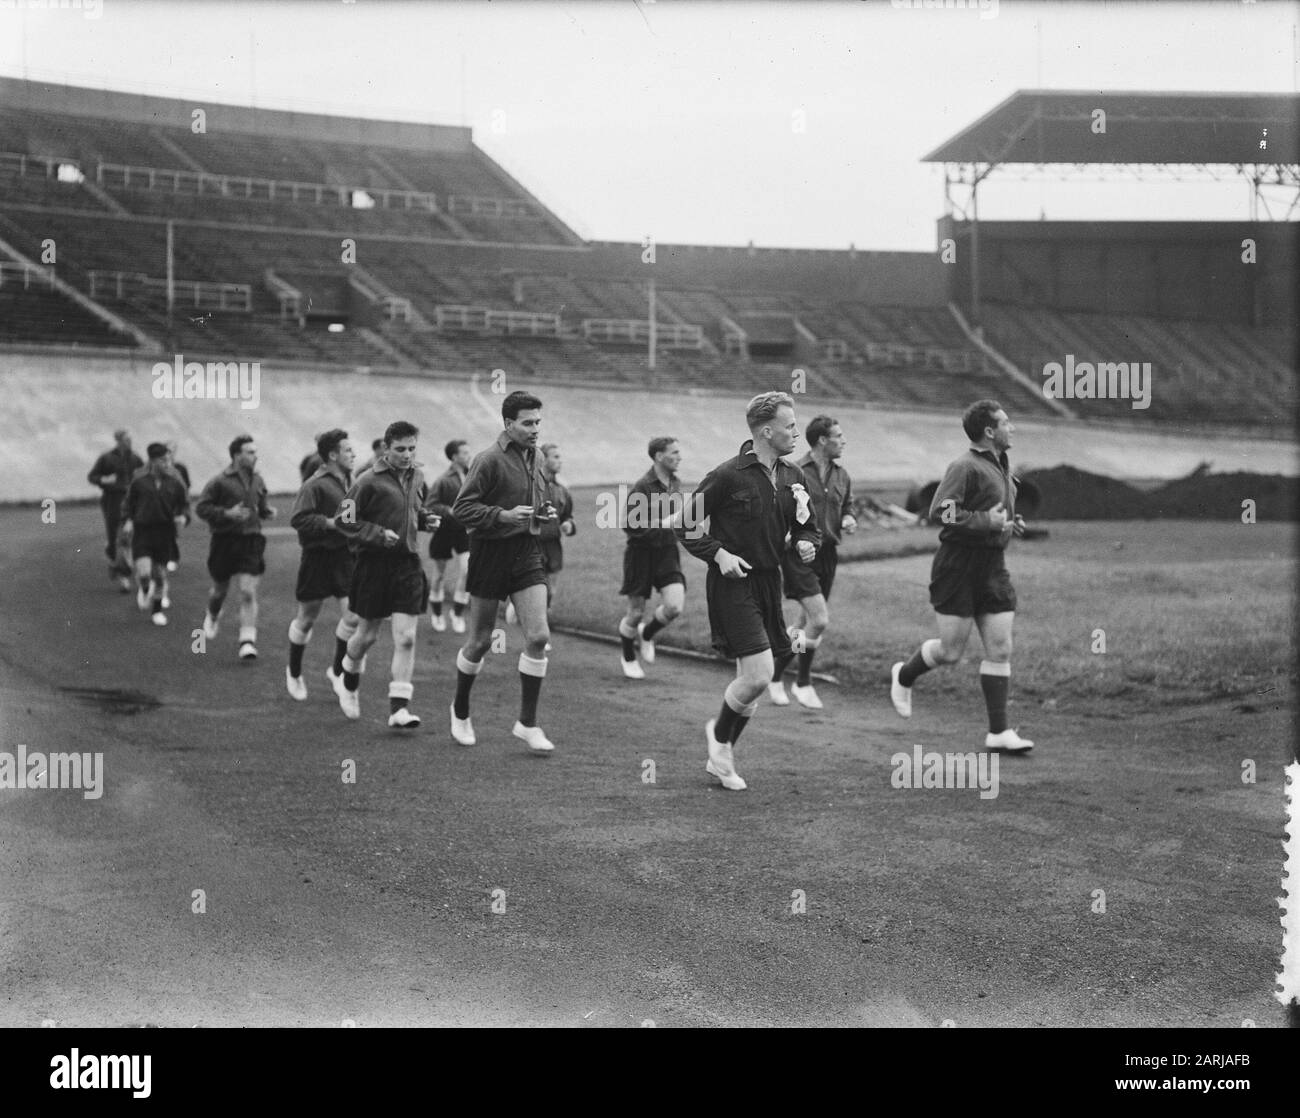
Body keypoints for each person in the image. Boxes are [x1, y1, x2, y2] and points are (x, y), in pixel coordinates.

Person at [676, 392, 821, 791]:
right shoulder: (726, 476)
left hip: (769, 584)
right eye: (790, 426)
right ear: (766, 431)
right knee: (759, 675)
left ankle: (720, 756)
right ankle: (720, 738)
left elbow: (810, 526)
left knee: (753, 677)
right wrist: (718, 553)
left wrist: (809, 542)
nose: (796, 433)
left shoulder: (795, 476)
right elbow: (685, 526)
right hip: (732, 582)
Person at [889, 399, 1034, 753]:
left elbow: (995, 513)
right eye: (1006, 422)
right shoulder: (964, 466)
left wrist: (1007, 527)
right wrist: (987, 522)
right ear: (989, 431)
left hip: (993, 566)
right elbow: (940, 511)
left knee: (1001, 648)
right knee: (951, 652)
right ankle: (904, 675)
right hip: (957, 566)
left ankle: (998, 732)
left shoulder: (1002, 467)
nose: (1011, 427)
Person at [449, 390, 556, 755]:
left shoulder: (538, 456)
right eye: (528, 423)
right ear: (509, 424)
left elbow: (533, 500)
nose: (535, 429)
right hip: (489, 554)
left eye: (538, 422)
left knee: (538, 636)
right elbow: (462, 509)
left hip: (527, 553)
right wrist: (502, 517)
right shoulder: (488, 460)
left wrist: (544, 513)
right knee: (480, 641)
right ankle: (460, 709)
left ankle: (527, 723)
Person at [333, 421, 439, 728]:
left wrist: (426, 520)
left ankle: (399, 709)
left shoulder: (418, 476)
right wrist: (377, 534)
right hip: (374, 566)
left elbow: (416, 509)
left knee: (406, 637)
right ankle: (349, 678)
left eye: (412, 448)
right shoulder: (367, 481)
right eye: (400, 449)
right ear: (386, 448)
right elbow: (343, 519)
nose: (407, 455)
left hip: (407, 565)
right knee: (365, 637)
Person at [768, 415, 856, 710]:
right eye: (839, 436)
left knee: (804, 623)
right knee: (819, 619)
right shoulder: (793, 471)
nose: (843, 441)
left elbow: (848, 504)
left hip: (827, 553)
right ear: (822, 440)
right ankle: (803, 682)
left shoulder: (842, 474)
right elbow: (775, 508)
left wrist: (848, 517)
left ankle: (775, 675)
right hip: (797, 555)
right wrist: (787, 536)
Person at [286, 428, 362, 702]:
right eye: (348, 450)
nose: (354, 454)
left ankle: (337, 669)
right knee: (306, 619)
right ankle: (294, 671)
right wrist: (330, 523)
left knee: (353, 617)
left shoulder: (351, 480)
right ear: (332, 455)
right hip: (317, 558)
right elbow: (299, 519)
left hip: (345, 557)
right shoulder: (314, 484)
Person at [195, 435, 276, 660]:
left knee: (248, 591)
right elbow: (201, 508)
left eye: (255, 451)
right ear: (237, 455)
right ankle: (212, 614)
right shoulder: (219, 481)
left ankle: (247, 641)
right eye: (250, 452)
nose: (255, 455)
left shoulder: (258, 480)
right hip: (224, 542)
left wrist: (266, 512)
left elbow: (261, 505)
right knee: (220, 590)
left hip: (251, 541)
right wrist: (226, 514)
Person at [618, 436, 686, 679]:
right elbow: (628, 523)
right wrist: (662, 523)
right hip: (641, 555)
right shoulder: (643, 485)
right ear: (659, 456)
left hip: (667, 552)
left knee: (674, 606)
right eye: (674, 453)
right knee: (635, 613)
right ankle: (627, 655)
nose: (680, 457)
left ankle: (646, 634)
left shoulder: (676, 482)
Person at [120, 442, 190, 626]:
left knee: (159, 574)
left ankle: (157, 611)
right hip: (143, 530)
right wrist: (127, 520)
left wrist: (183, 517)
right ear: (152, 461)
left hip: (164, 531)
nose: (168, 464)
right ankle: (144, 588)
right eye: (163, 460)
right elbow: (128, 504)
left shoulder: (175, 481)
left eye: (169, 460)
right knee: (143, 572)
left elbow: (184, 504)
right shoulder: (139, 481)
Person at [87, 428, 142, 592]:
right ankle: (112, 556)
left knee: (125, 539)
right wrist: (104, 479)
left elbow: (144, 475)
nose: (129, 442)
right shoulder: (106, 458)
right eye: (126, 439)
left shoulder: (136, 459)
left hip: (132, 501)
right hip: (112, 501)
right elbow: (92, 476)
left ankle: (124, 577)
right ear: (118, 441)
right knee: (114, 539)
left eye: (130, 439)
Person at [427, 439, 472, 634]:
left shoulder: (472, 475)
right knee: (438, 577)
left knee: (467, 571)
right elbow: (430, 505)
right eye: (464, 453)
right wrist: (449, 511)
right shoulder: (443, 480)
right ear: (454, 456)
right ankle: (437, 614)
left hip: (463, 531)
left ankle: (457, 613)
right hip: (444, 531)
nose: (468, 456)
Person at [537, 442, 576, 616]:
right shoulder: (532, 487)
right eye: (556, 457)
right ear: (543, 459)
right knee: (538, 591)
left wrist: (568, 524)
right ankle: (537, 631)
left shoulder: (562, 491)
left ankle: (538, 623)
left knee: (551, 591)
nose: (560, 461)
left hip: (554, 545)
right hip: (533, 544)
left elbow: (568, 515)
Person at [164, 441, 191, 574]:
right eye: (167, 450)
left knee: (172, 534)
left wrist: (184, 511)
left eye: (172, 450)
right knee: (167, 533)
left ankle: (172, 557)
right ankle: (170, 557)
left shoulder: (180, 469)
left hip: (176, 507)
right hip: (162, 507)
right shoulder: (158, 468)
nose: (170, 453)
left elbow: (186, 489)